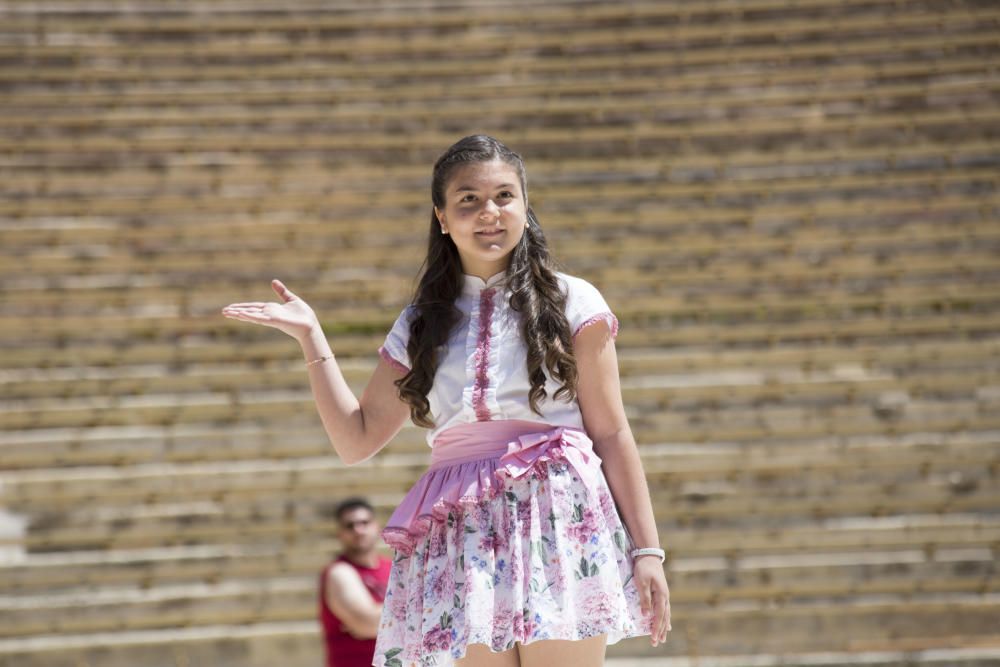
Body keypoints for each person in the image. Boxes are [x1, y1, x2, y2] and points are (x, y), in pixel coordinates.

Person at [222, 134, 671, 667]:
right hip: (461, 528)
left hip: (554, 517)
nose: (490, 212)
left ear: (525, 208)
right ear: (442, 216)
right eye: (469, 199)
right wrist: (312, 338)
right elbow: (355, 439)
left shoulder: (574, 300)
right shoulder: (419, 323)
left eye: (505, 196)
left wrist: (647, 551)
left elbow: (613, 433)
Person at [318, 497, 393, 667]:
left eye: (364, 522)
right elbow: (367, 622)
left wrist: (384, 618)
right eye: (350, 525)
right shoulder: (338, 572)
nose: (358, 530)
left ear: (376, 526)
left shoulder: (395, 568)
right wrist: (415, 612)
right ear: (340, 534)